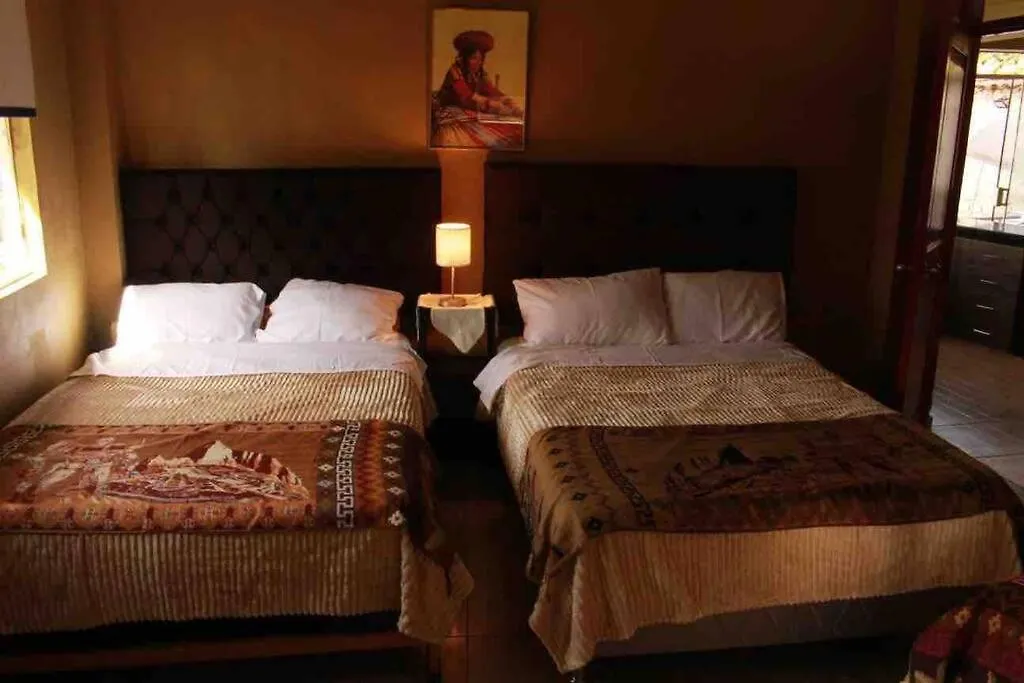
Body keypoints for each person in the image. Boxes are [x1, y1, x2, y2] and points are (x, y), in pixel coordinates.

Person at [436, 30, 522, 118]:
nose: (478, 63)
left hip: (468, 110)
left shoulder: (480, 74)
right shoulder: (455, 71)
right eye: (473, 58)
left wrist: (506, 100)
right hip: (449, 110)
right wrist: (490, 104)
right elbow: (466, 96)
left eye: (480, 59)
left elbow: (491, 90)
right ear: (465, 58)